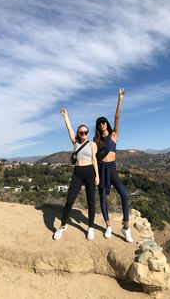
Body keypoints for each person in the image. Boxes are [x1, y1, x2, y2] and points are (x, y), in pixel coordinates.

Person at [94, 87, 133, 243]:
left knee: (124, 195)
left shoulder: (113, 135)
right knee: (102, 199)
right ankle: (108, 225)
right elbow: (93, 156)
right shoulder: (96, 140)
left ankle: (126, 227)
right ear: (97, 126)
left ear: (106, 124)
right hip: (101, 169)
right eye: (99, 123)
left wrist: (120, 100)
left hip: (112, 168)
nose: (102, 124)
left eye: (104, 122)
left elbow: (117, 117)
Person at [54, 108, 99, 241]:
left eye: (86, 132)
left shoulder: (92, 144)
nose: (83, 133)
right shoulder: (75, 143)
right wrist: (65, 116)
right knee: (69, 201)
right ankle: (62, 226)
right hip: (78, 173)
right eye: (81, 132)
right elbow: (69, 129)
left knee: (91, 201)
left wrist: (97, 175)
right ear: (79, 133)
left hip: (90, 171)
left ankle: (90, 227)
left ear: (88, 133)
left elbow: (95, 160)